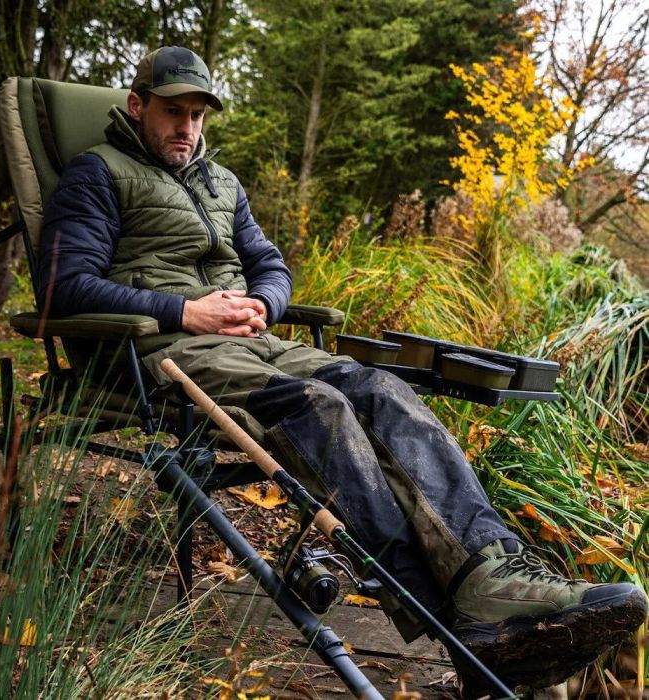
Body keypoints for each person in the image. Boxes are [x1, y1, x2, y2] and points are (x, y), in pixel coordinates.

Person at [37, 46, 647, 691]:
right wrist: (185, 311)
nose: (186, 127)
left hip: (250, 341)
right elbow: (61, 286)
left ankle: (491, 574)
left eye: (197, 115)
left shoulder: (221, 183)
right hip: (163, 351)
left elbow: (270, 265)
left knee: (381, 388)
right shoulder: (97, 173)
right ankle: (453, 622)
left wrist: (264, 304)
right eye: (172, 112)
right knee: (317, 408)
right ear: (137, 106)